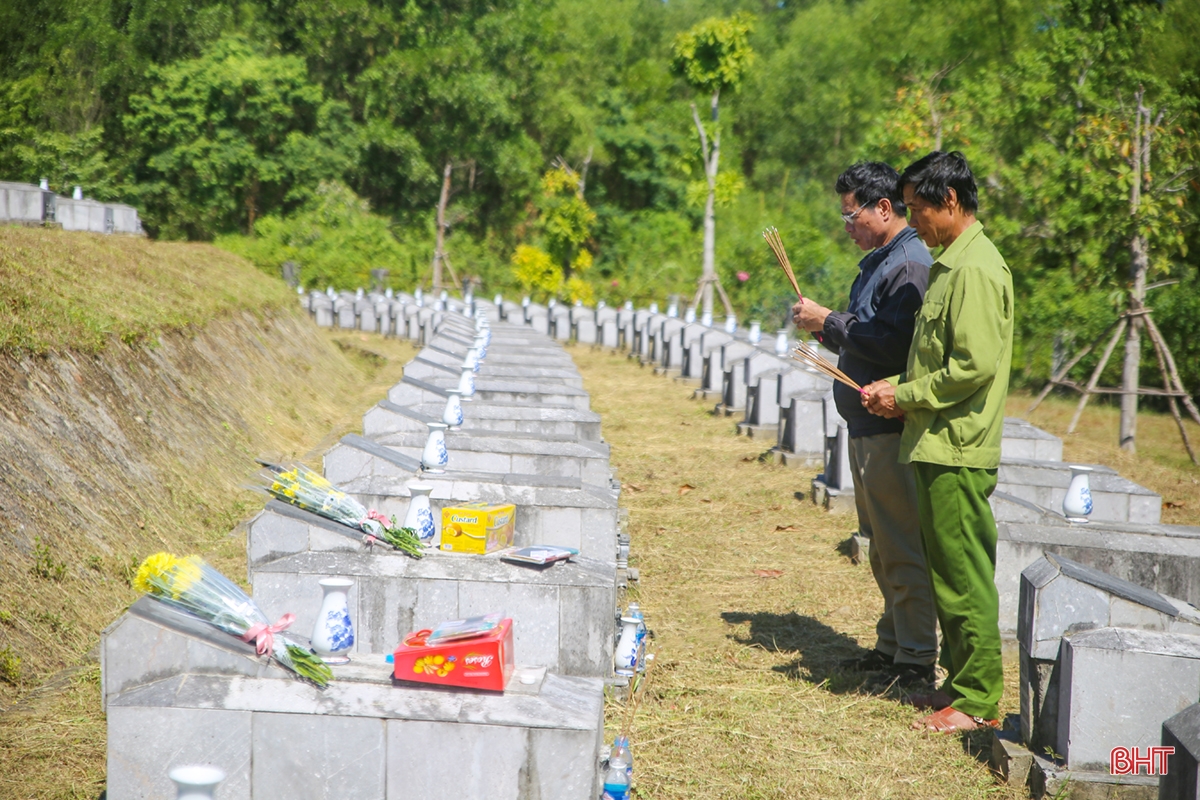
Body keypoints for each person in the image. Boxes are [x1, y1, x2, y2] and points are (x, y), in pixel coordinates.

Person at [861, 151, 1013, 733]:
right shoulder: (953, 263)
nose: (913, 220)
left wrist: (904, 397)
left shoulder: (975, 269)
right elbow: (937, 361)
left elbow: (971, 367)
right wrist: (894, 387)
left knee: (963, 573)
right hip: (933, 441)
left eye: (919, 209)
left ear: (950, 202)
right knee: (946, 572)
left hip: (957, 445)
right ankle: (960, 684)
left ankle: (976, 700)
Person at [791, 161, 937, 688]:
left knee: (900, 545)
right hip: (865, 425)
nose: (846, 225)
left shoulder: (910, 265)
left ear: (883, 207)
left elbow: (891, 345)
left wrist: (827, 320)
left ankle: (916, 660)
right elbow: (864, 337)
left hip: (889, 426)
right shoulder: (881, 260)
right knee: (880, 542)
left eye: (852, 214)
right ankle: (892, 645)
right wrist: (826, 329)